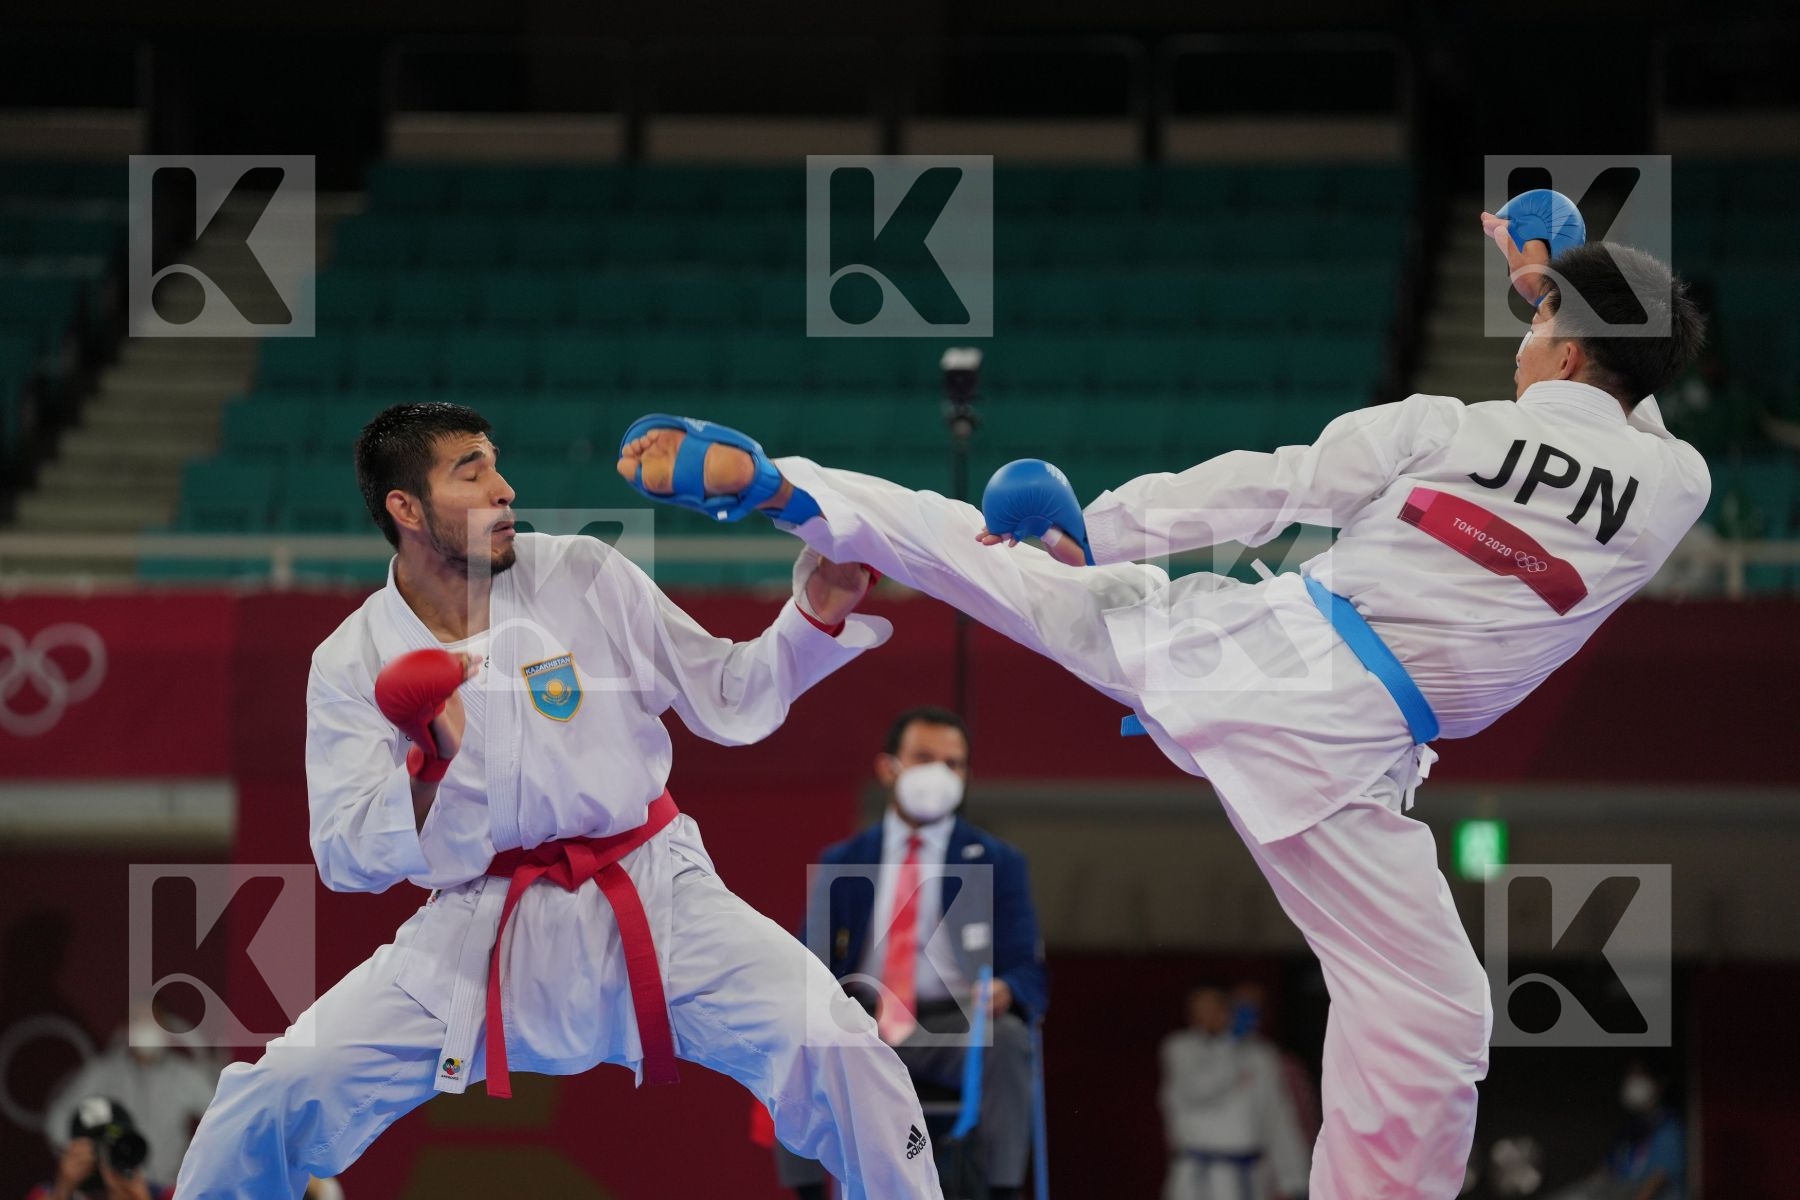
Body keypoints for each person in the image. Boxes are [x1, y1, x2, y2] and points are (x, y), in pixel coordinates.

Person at [617, 212, 1711, 1199]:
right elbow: (1618, 390)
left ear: (1564, 348)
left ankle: (794, 489)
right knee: (1432, 1018)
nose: (1520, 345)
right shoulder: (1677, 485)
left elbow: (1271, 484)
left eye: (1536, 329)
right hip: (1343, 735)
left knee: (1004, 569)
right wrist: (1548, 282)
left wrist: (1101, 524)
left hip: (1280, 661)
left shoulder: (1443, 428)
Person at [174, 403, 943, 1199]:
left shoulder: (583, 574)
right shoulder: (352, 659)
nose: (506, 489)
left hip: (655, 893)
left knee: (847, 1051)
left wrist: (816, 611)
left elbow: (729, 697)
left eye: (497, 465)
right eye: (471, 474)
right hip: (479, 929)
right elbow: (344, 859)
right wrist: (430, 768)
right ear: (405, 508)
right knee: (264, 1105)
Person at [775, 706, 1047, 1200]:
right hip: (863, 1024)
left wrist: (1006, 988)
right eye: (924, 757)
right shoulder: (846, 860)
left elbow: (1028, 968)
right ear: (888, 768)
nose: (939, 774)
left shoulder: (999, 861)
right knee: (796, 1028)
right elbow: (806, 958)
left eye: (954, 763)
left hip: (959, 1027)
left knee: (1007, 1038)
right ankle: (810, 1192)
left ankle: (1003, 1191)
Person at [41, 1005, 217, 1189]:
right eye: (140, 1021)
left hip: (167, 1189)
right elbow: (57, 1120)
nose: (148, 1028)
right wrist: (89, 1151)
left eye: (156, 1022)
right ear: (126, 1027)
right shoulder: (103, 1072)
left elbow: (224, 1115)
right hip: (115, 1188)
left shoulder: (184, 1074)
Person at [1159, 985, 1308, 1200]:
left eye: (1214, 1006)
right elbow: (1199, 1090)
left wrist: (1292, 1178)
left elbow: (1277, 1118)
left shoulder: (1261, 1054)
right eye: (1200, 1008)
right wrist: (1230, 1042)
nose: (1207, 1015)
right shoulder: (1181, 1048)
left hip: (1250, 1176)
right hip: (1198, 1178)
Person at [27, 1096, 170, 1200]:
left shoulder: (169, 1195)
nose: (107, 1156)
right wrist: (61, 1194)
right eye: (97, 1147)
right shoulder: (45, 1194)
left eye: (118, 1146)